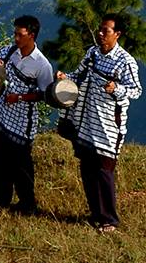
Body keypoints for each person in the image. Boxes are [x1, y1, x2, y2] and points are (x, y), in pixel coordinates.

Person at [57, 13, 142, 233]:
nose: (101, 33)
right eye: (101, 29)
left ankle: (110, 220)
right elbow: (78, 75)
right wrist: (64, 77)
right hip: (86, 120)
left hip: (108, 125)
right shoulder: (93, 53)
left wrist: (117, 89)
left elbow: (136, 90)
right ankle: (96, 214)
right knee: (87, 169)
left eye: (106, 30)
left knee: (104, 171)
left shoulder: (125, 61)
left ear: (117, 34)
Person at [0, 15, 54, 214]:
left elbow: (45, 94)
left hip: (22, 123)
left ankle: (27, 204)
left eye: (20, 35)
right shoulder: (8, 51)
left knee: (21, 167)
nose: (16, 38)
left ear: (31, 35)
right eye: (15, 34)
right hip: (0, 116)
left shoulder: (42, 64)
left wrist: (20, 97)